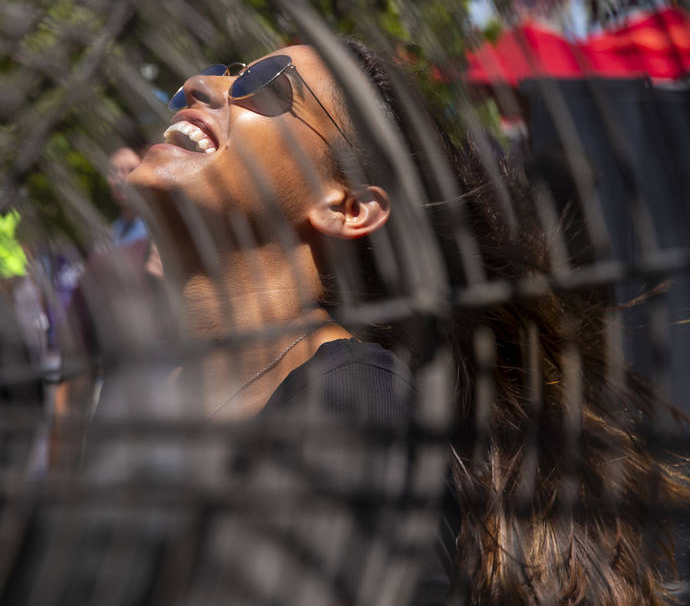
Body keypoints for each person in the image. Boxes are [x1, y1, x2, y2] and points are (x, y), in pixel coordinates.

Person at [123, 41, 689, 604]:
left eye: (269, 84)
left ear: (347, 208)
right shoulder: (140, 394)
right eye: (222, 73)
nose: (200, 84)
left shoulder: (354, 400)